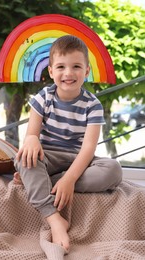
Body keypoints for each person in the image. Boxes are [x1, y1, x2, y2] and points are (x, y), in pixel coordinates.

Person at [14, 35, 122, 253]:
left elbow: (88, 149)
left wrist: (69, 180)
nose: (68, 73)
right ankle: (54, 219)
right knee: (25, 159)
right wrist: (32, 139)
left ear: (87, 71)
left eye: (76, 66)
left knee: (113, 170)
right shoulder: (43, 98)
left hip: (77, 159)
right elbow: (31, 136)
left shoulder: (93, 105)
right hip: (48, 157)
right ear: (51, 71)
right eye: (61, 67)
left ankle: (43, 183)